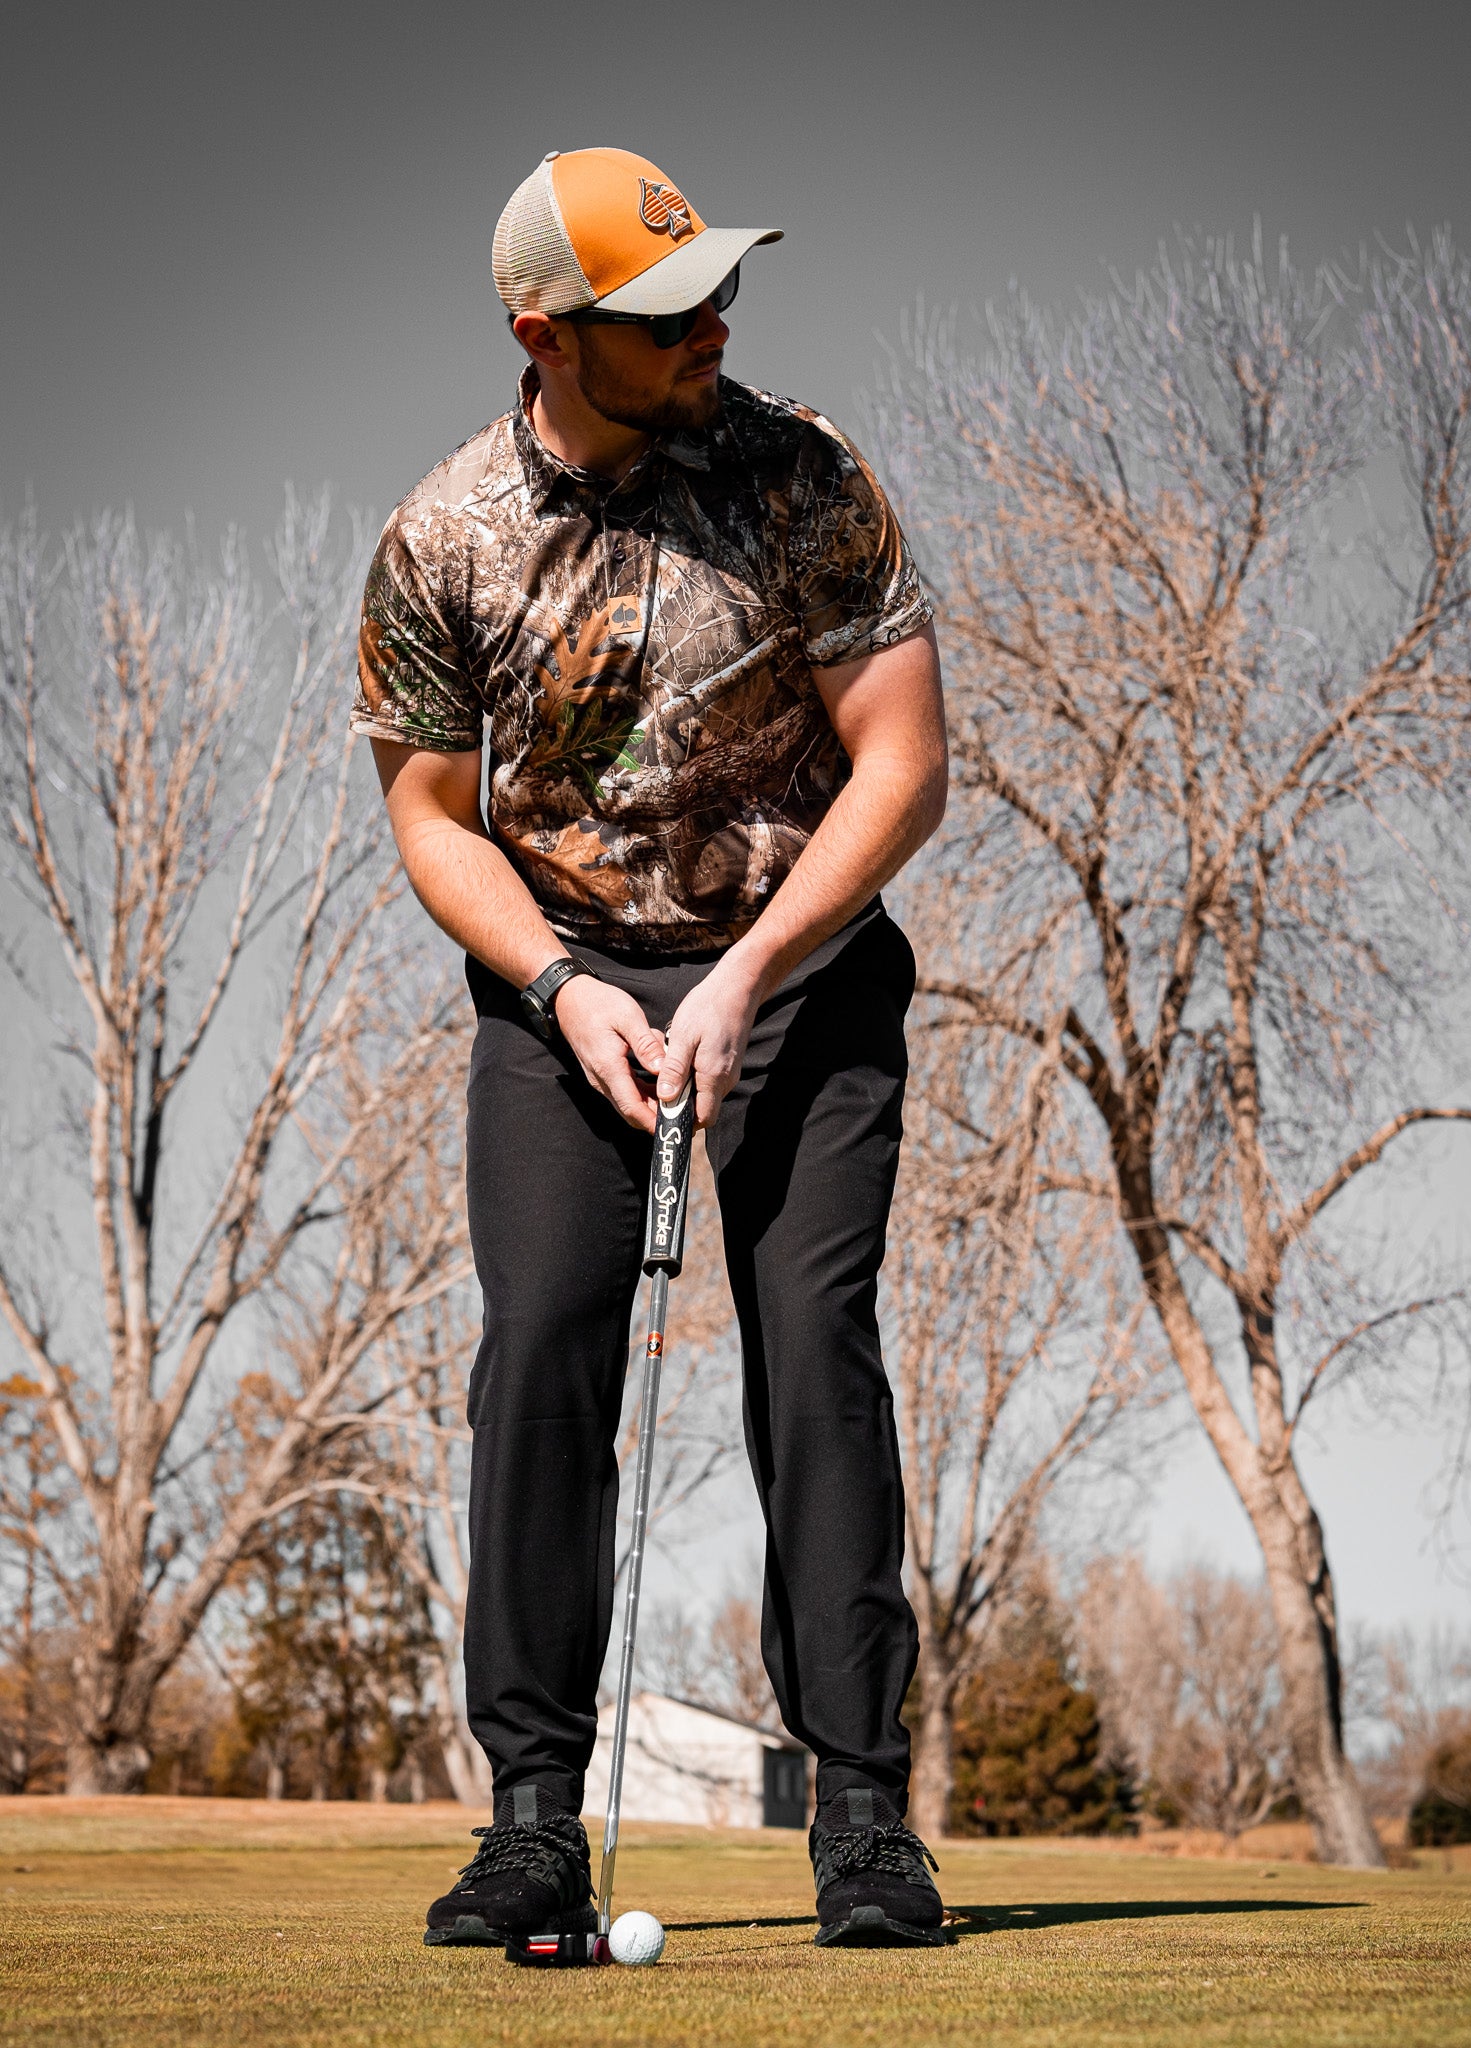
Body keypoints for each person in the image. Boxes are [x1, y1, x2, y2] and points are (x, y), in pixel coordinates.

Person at [353, 146, 951, 1952]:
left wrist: (754, 964)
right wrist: (560, 985)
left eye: (718, 290)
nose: (715, 328)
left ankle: (865, 1824)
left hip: (801, 973)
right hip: (568, 997)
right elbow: (431, 817)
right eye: (668, 310)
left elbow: (904, 758)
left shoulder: (804, 475)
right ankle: (531, 1825)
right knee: (539, 1350)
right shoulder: (441, 539)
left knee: (814, 1355)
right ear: (545, 335)